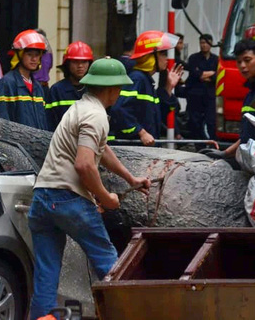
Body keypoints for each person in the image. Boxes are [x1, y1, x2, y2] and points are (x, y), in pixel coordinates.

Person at [28, 58, 151, 319]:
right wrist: (106, 198)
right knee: (110, 264)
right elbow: (85, 164)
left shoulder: (80, 108)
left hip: (42, 198)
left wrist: (130, 178)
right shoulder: (96, 116)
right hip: (67, 198)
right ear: (112, 89)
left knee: (46, 275)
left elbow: (101, 149)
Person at [109, 31, 183, 146]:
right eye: (163, 54)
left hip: (146, 150)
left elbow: (156, 115)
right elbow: (119, 110)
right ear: (150, 56)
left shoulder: (146, 80)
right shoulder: (138, 79)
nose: (167, 59)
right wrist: (141, 133)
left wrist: (169, 87)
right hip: (136, 151)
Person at [0, 29, 48, 130]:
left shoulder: (38, 87)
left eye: (37, 55)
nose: (34, 59)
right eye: (29, 54)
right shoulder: (6, 83)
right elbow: (1, 122)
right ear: (19, 55)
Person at [46, 41, 94, 131]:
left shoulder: (95, 89)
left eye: (84, 62)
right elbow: (49, 122)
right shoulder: (56, 90)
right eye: (75, 62)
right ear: (67, 64)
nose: (80, 66)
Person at [185, 34, 218, 142]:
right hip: (195, 95)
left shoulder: (216, 59)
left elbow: (217, 76)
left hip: (210, 95)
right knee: (195, 121)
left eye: (206, 43)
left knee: (211, 121)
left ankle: (213, 143)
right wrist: (209, 74)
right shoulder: (193, 58)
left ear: (211, 44)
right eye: (202, 43)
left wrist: (205, 75)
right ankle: (198, 145)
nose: (204, 45)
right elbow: (195, 74)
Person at [32, 29, 53, 99]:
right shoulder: (49, 53)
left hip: (41, 87)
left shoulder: (48, 53)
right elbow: (50, 67)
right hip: (38, 86)